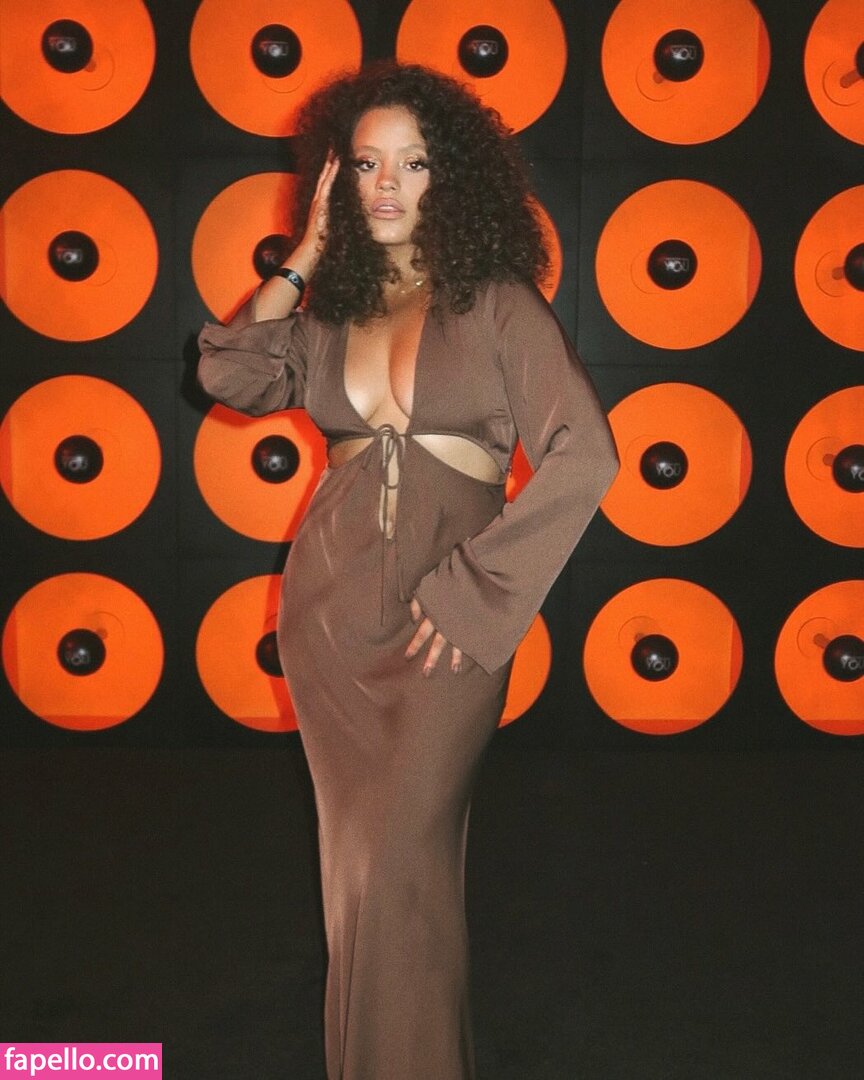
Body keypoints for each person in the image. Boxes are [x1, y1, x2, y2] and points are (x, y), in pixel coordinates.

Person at [197, 61, 618, 1080]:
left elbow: (587, 454)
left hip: (448, 623)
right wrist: (304, 254)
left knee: (400, 868)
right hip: (330, 618)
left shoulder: (499, 305)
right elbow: (229, 372)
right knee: (358, 877)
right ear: (337, 179)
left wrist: (479, 593)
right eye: (366, 163)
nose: (387, 183)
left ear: (451, 176)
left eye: (413, 163)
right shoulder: (329, 314)